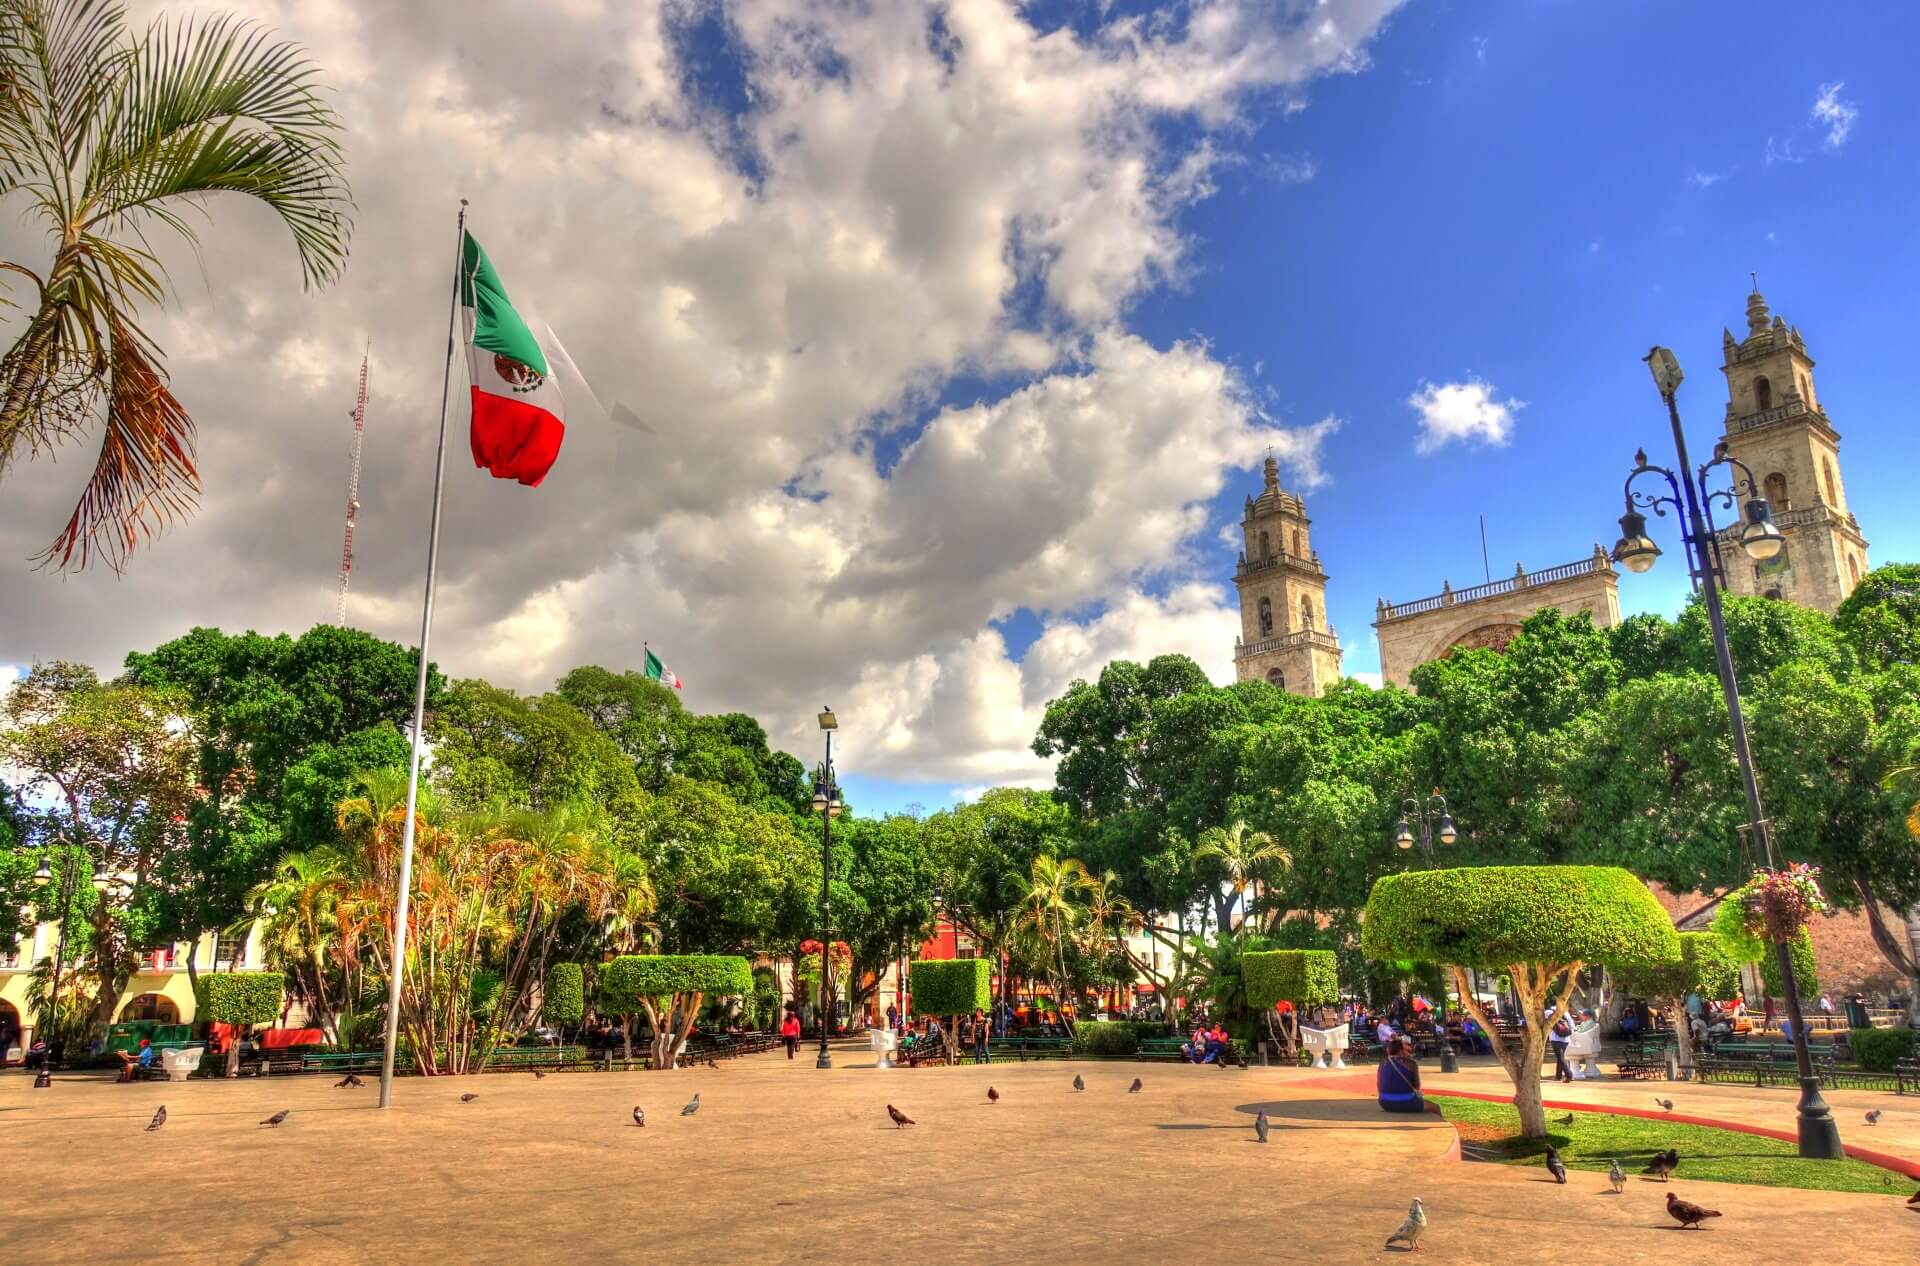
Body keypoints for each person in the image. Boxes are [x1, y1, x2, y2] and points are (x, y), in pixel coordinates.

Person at [1376, 1037, 1424, 1113]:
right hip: (1406, 1102)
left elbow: (1379, 1085)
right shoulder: (1411, 1063)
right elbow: (1417, 1086)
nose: (1409, 1049)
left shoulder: (1383, 1063)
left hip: (1384, 1102)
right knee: (1435, 1107)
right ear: (1401, 1050)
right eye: (1406, 1047)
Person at [1568, 1009, 1601, 1080]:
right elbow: (1579, 1028)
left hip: (1587, 1044)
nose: (1581, 1016)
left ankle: (1575, 1071)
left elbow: (1581, 1032)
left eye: (1582, 1015)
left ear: (1587, 1016)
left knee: (1569, 1048)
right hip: (1586, 1043)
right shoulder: (1585, 1022)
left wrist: (1574, 1030)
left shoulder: (1590, 1023)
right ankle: (1582, 1069)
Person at [1548, 1014, 1572, 1083]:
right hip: (1566, 1039)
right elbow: (1571, 1025)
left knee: (1561, 1058)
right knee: (1560, 1058)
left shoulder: (1548, 1012)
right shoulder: (1565, 1013)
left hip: (1555, 1039)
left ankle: (1569, 1075)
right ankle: (1558, 1076)